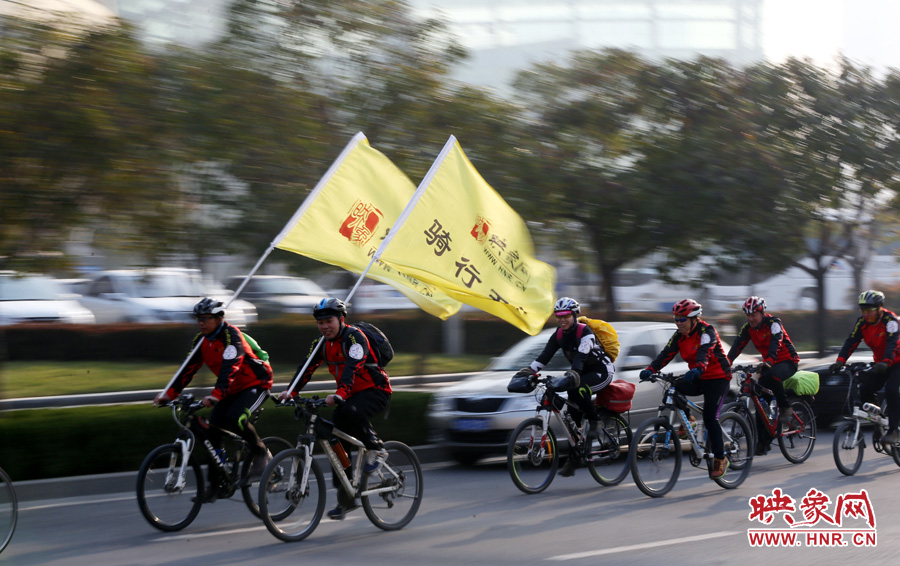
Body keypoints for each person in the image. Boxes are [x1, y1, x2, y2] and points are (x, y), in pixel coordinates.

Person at [153, 298, 274, 502]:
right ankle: (215, 485)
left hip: (256, 384)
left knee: (236, 417)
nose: (201, 322)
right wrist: (169, 394)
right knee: (212, 433)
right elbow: (187, 370)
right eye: (199, 318)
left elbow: (231, 367)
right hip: (231, 390)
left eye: (206, 318)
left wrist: (216, 395)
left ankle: (261, 452)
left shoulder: (231, 336)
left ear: (219, 318)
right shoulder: (202, 340)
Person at [283, 298, 392, 520]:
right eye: (320, 322)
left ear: (341, 319)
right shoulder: (321, 343)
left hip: (375, 390)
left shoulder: (354, 337)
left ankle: (377, 448)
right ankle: (346, 497)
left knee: (349, 413)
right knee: (336, 442)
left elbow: (353, 367)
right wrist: (291, 391)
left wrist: (341, 392)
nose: (324, 326)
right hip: (349, 396)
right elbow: (305, 369)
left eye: (329, 321)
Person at [513, 297, 614, 477]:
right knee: (571, 418)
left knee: (579, 389)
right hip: (580, 374)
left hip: (601, 372)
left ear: (575, 315)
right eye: (558, 316)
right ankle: (575, 459)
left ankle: (595, 421)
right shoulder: (558, 335)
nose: (562, 319)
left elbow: (581, 357)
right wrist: (530, 371)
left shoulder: (586, 332)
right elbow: (544, 356)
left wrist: (572, 373)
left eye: (566, 315)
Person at [639, 299, 733, 479]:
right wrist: (650, 369)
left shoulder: (707, 331)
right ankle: (689, 419)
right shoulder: (678, 336)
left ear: (694, 319)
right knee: (672, 389)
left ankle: (721, 459)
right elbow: (665, 354)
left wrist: (699, 367)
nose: (678, 323)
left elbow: (705, 351)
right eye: (676, 319)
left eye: (682, 319)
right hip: (699, 376)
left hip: (718, 377)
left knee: (710, 417)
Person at [726, 296, 800, 454]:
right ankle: (763, 442)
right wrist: (726, 363)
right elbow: (738, 345)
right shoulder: (748, 328)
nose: (751, 318)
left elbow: (776, 342)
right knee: (760, 402)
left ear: (762, 313)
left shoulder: (774, 323)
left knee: (772, 376)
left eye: (754, 315)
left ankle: (786, 408)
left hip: (787, 361)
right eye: (748, 315)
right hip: (769, 364)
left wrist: (770, 361)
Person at [830, 290, 900, 445]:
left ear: (880, 308)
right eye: (863, 311)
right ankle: (879, 421)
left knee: (891, 390)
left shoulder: (891, 321)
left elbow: (893, 342)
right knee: (865, 391)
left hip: (896, 362)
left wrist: (887, 361)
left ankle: (894, 430)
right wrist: (840, 360)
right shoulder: (862, 323)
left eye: (869, 310)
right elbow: (851, 341)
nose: (866, 314)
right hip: (882, 363)